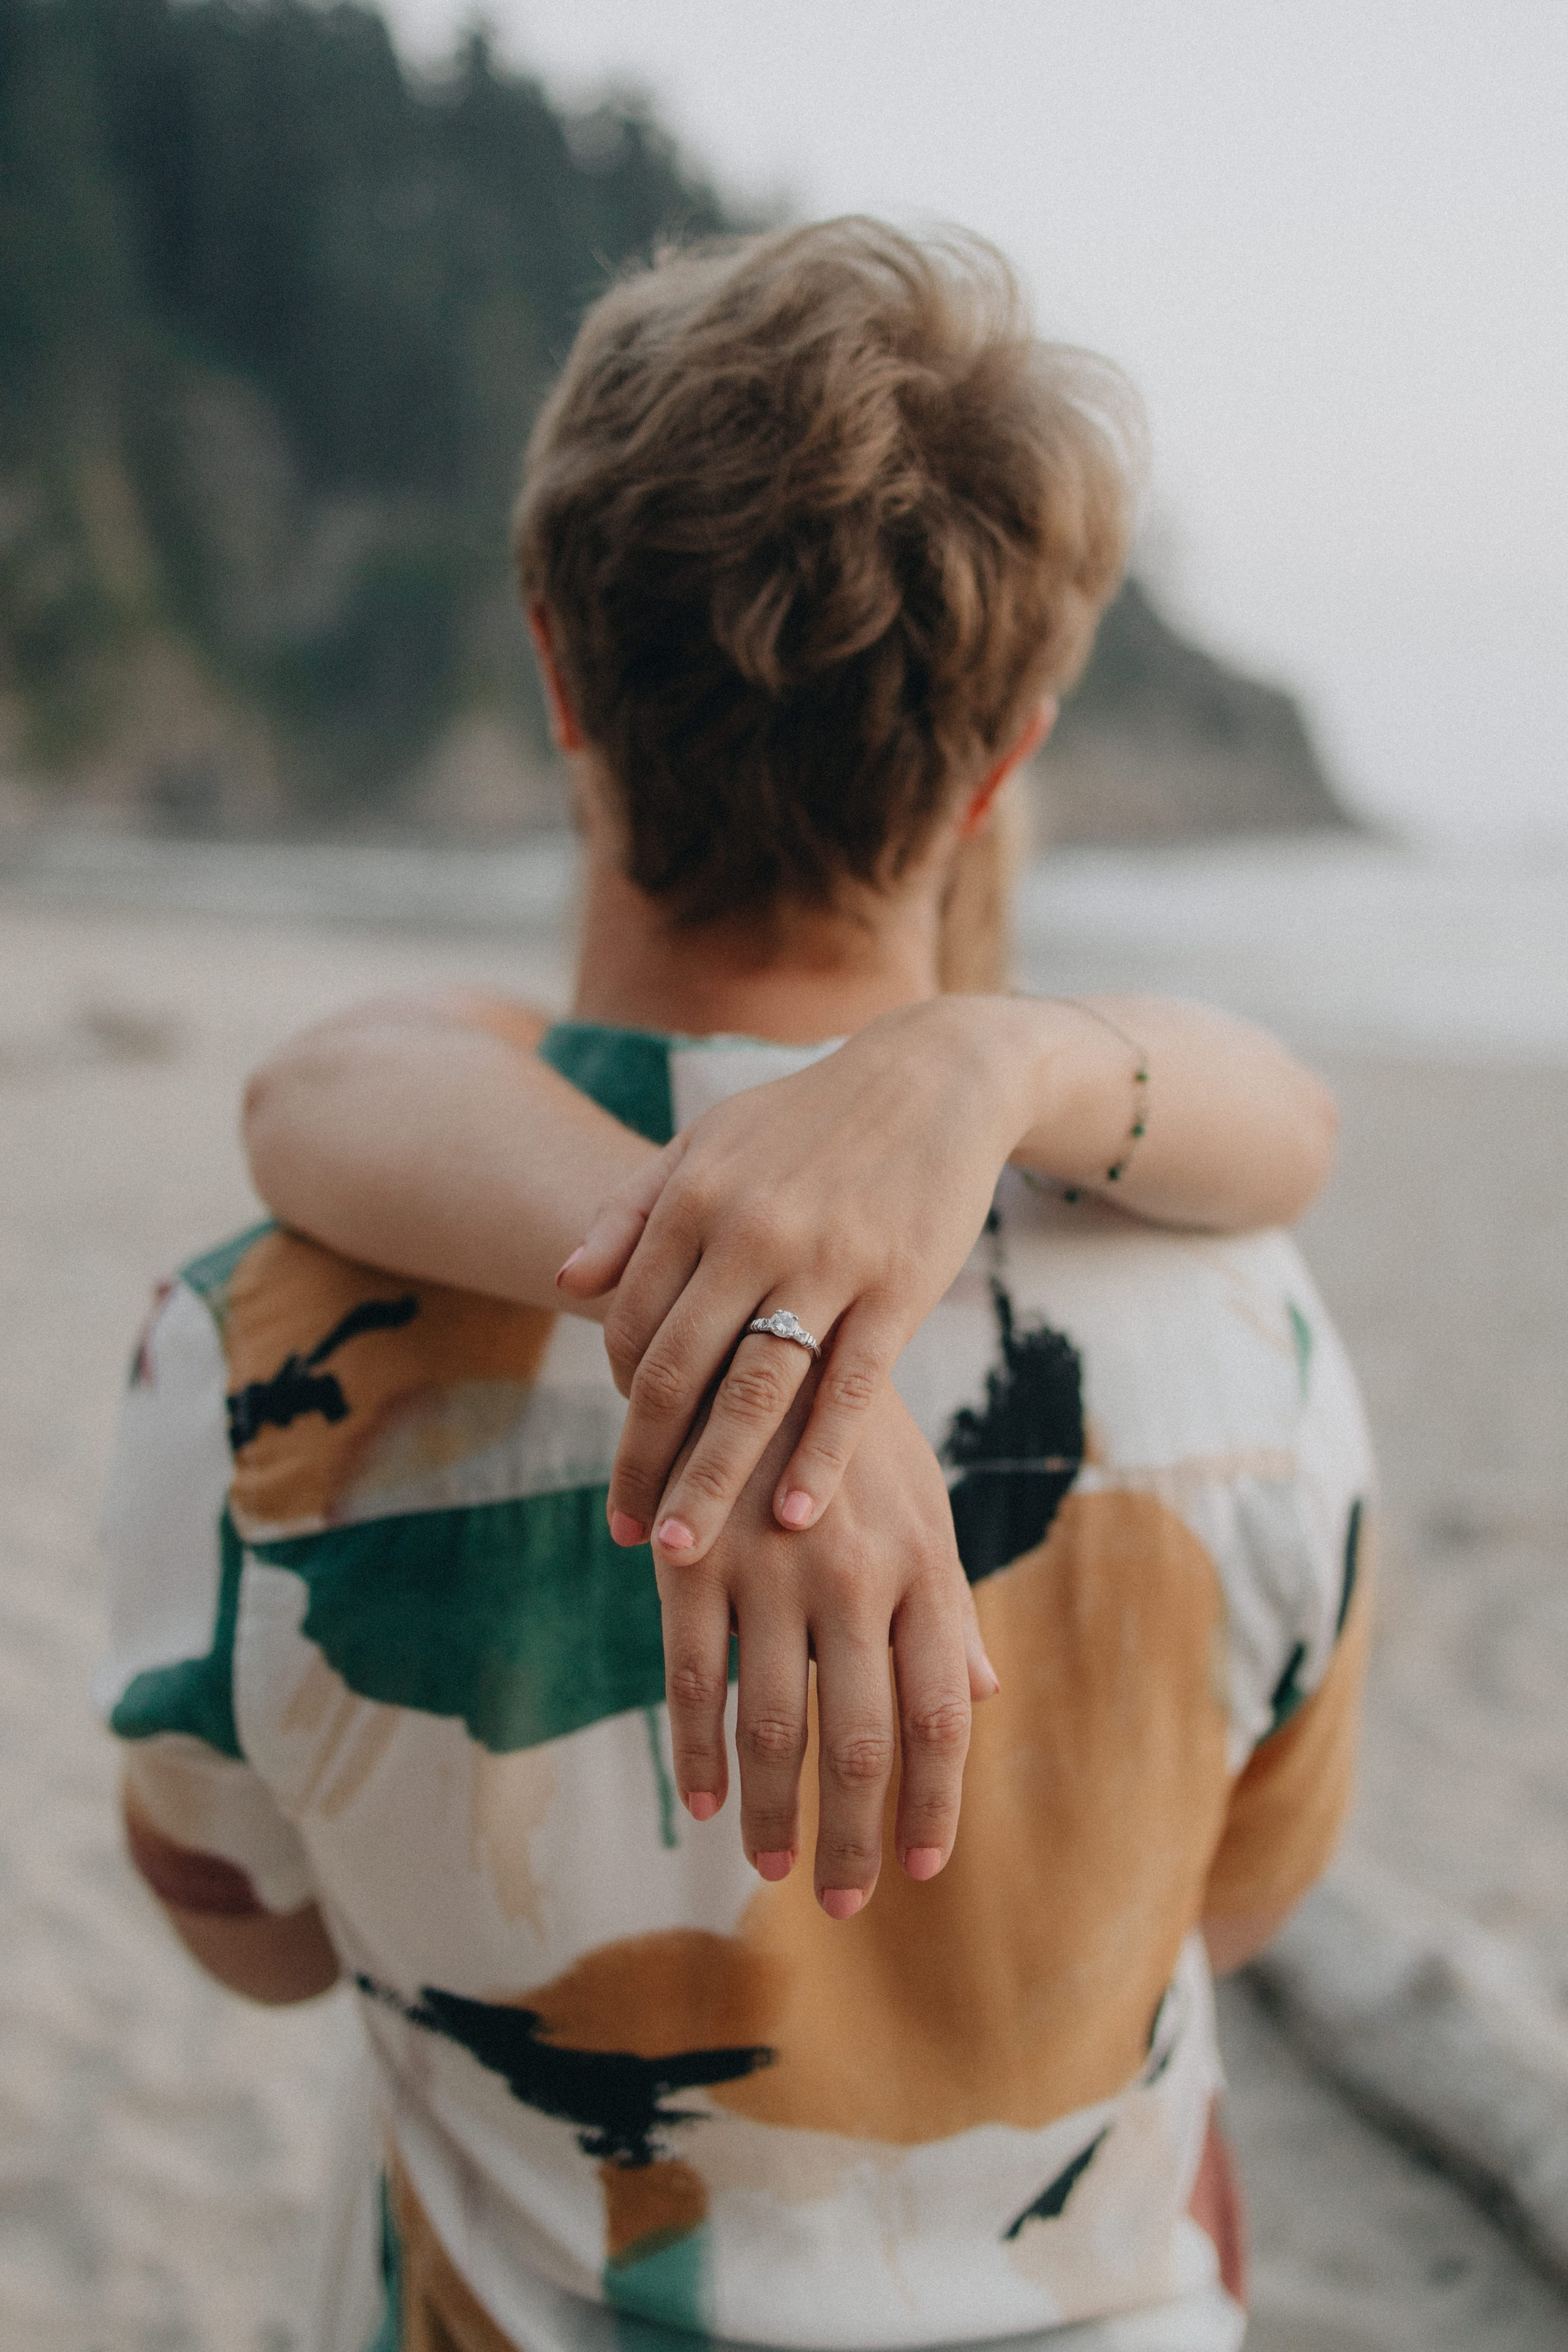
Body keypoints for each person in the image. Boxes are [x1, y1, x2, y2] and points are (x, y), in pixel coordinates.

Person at [100, 221, 1373, 2352]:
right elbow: (1240, 1904)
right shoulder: (1255, 1330)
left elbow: (245, 1933)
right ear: (1006, 758)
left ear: (556, 669)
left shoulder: (254, 1340)